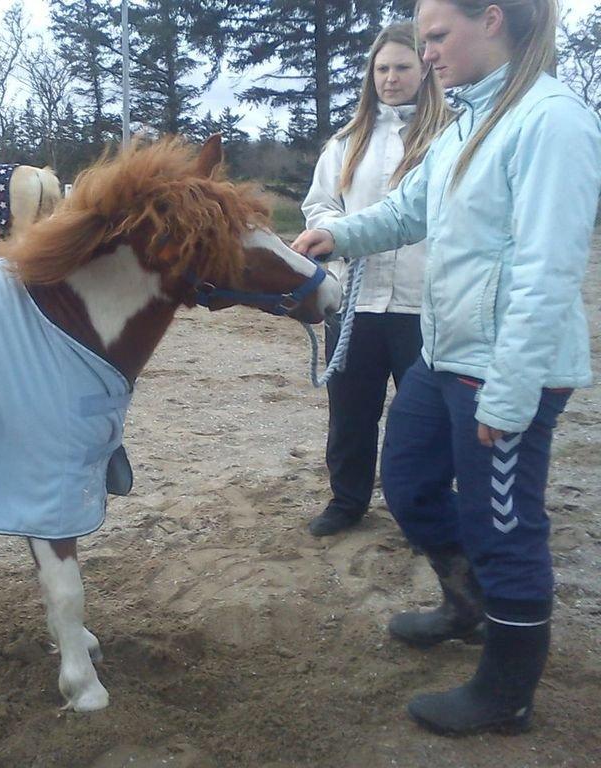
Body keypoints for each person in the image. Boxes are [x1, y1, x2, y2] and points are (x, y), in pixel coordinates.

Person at [292, 0, 601, 735]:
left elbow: (548, 269)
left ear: (492, 19)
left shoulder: (552, 122)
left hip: (502, 368)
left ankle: (507, 693)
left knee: (505, 524)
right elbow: (406, 213)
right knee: (407, 481)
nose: (424, 53)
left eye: (435, 35)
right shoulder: (467, 123)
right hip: (446, 353)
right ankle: (466, 603)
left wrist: (512, 390)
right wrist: (333, 233)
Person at [302, 21, 452, 537]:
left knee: (425, 419)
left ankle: (422, 510)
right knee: (350, 413)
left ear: (425, 69)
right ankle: (347, 502)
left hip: (422, 303)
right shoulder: (346, 143)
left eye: (402, 67)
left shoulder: (451, 138)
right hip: (354, 303)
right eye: (382, 68)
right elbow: (320, 204)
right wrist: (333, 232)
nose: (390, 78)